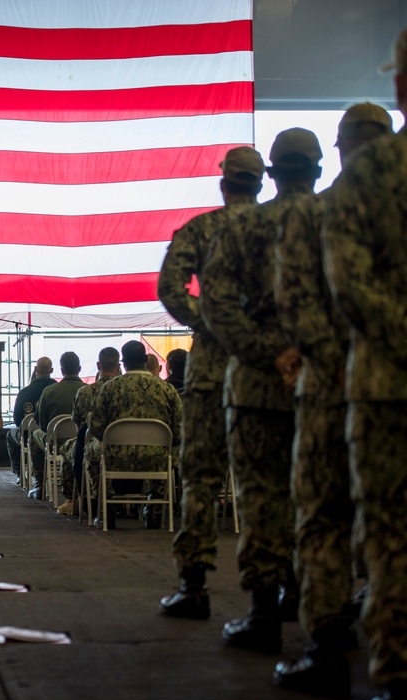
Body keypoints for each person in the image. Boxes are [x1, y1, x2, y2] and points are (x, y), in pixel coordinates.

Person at [271, 102, 393, 697]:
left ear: (340, 152)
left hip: (329, 389)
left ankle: (327, 645)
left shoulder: (316, 213)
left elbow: (295, 301)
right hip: (395, 386)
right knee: (392, 521)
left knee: (322, 516)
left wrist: (333, 362)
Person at [201, 127, 323, 654]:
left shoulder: (247, 226)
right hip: (323, 384)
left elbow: (216, 304)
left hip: (255, 385)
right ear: (317, 171)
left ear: (272, 175)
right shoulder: (336, 219)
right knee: (319, 501)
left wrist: (266, 352)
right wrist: (315, 352)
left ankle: (263, 615)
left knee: (260, 498)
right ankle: (321, 614)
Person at [321, 31, 407, 700]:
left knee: (388, 533)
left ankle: (396, 675)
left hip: (384, 384)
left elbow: (346, 282)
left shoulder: (370, 177)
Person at [156, 146, 265, 620]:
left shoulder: (202, 230)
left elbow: (169, 288)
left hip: (211, 371)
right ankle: (271, 592)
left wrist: (209, 320)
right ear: (260, 184)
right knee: (264, 481)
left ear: (224, 184)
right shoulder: (279, 227)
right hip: (263, 369)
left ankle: (194, 585)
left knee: (200, 477)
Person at [89, 341, 183, 527]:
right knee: (171, 449)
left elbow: (96, 426)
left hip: (115, 457)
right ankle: (155, 507)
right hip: (157, 458)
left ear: (123, 363)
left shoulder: (108, 389)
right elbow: (178, 431)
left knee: (89, 450)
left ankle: (106, 508)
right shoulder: (167, 390)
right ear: (145, 359)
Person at [69, 347, 122, 522]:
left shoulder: (84, 392)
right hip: (130, 451)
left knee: (77, 449)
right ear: (118, 366)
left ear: (98, 365)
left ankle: (87, 502)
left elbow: (78, 427)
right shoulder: (124, 392)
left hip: (95, 452)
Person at [30, 352, 86, 514]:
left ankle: (40, 484)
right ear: (79, 369)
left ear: (61, 370)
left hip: (56, 443)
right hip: (83, 444)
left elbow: (42, 425)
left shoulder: (49, 392)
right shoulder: (89, 391)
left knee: (35, 436)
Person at [4, 357, 55, 493]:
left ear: (36, 369)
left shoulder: (25, 392)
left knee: (10, 434)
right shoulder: (56, 389)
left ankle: (20, 474)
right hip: (55, 436)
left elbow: (17, 420)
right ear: (51, 370)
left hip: (28, 436)